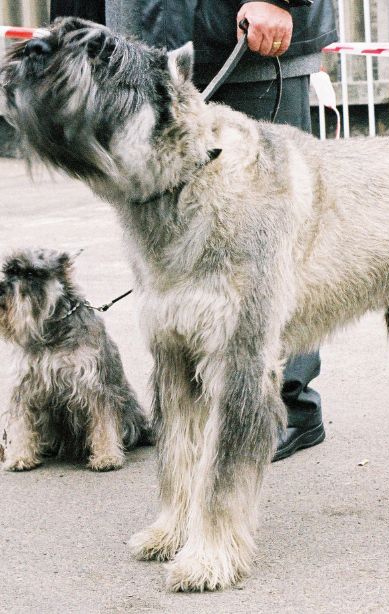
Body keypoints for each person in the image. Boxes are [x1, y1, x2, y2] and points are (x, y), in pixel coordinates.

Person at [57, 0, 337, 462]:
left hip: (247, 47)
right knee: (171, 244)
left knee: (267, 250)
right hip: (137, 61)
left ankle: (287, 407)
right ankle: (204, 403)